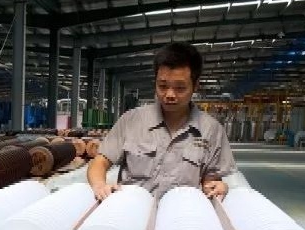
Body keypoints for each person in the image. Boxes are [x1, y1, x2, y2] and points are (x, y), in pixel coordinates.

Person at [88, 42, 236, 201]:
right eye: (163, 86)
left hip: (180, 211)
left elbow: (210, 180)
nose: (170, 94)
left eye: (180, 88)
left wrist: (217, 186)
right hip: (133, 209)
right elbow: (99, 163)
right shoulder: (131, 121)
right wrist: (99, 185)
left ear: (195, 86)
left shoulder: (211, 130)